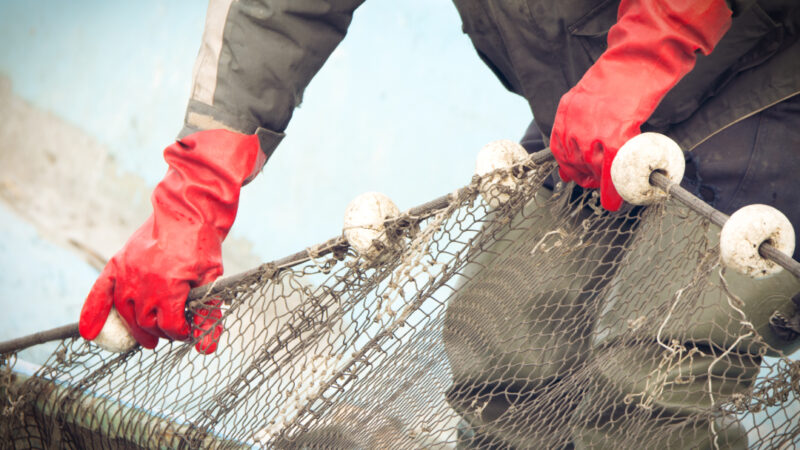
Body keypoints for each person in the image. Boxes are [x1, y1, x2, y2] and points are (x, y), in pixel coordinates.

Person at [77, 0, 800, 447]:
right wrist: (192, 201)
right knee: (503, 343)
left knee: (651, 370)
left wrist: (657, 39)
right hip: (597, 114)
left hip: (771, 86)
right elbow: (273, 9)